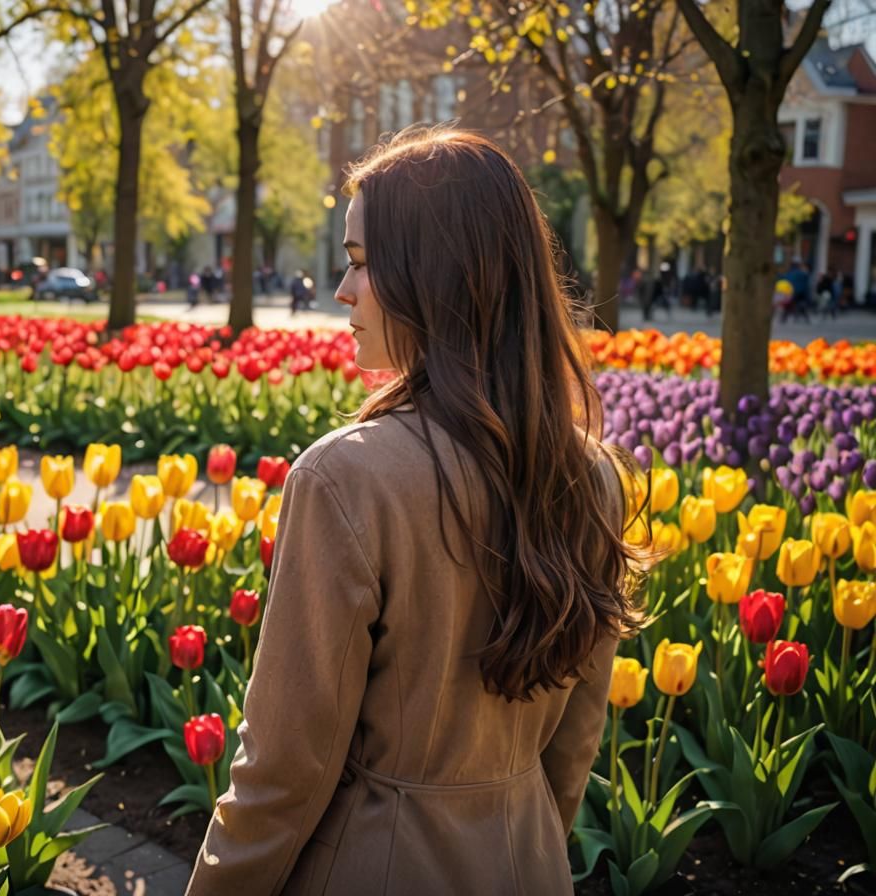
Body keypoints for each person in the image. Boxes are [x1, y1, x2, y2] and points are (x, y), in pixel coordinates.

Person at [186, 127, 644, 895]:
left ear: (435, 276)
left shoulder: (346, 480)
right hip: (528, 864)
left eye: (362, 264)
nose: (341, 290)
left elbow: (282, 773)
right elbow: (575, 745)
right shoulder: (591, 475)